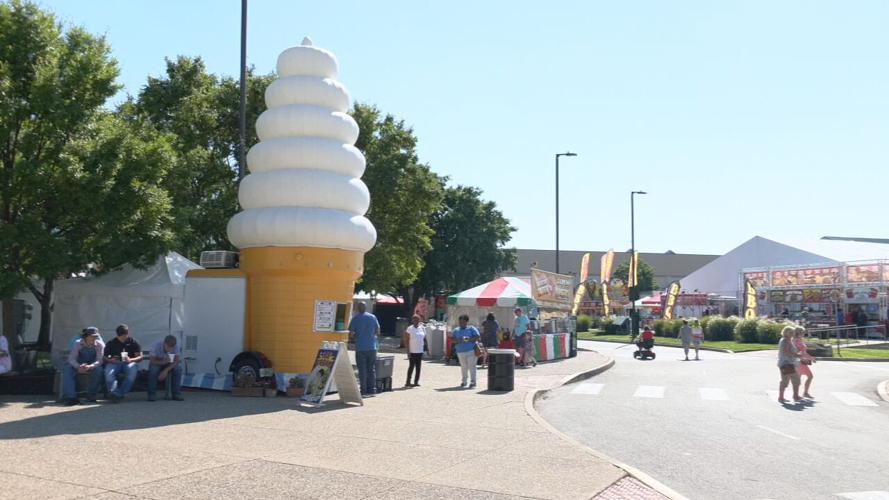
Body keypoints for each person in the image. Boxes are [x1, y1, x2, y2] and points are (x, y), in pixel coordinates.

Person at [61, 327, 105, 405]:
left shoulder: (100, 345)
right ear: (86, 336)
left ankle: (91, 396)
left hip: (92, 365)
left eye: (95, 336)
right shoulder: (77, 343)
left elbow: (99, 360)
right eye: (92, 336)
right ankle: (71, 397)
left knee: (99, 370)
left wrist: (90, 366)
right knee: (67, 369)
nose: (94, 338)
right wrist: (78, 366)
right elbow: (71, 359)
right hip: (79, 364)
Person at [103, 324, 143, 402]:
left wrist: (131, 360)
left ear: (127, 334)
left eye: (125, 336)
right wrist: (111, 360)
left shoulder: (133, 342)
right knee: (109, 374)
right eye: (121, 337)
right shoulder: (111, 342)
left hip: (129, 362)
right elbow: (104, 356)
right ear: (117, 335)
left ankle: (118, 394)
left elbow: (140, 357)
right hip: (115, 362)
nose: (124, 338)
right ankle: (114, 393)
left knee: (131, 375)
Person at [350, 302, 380, 397]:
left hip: (360, 348)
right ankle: (372, 390)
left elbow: (351, 333)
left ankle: (363, 391)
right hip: (372, 347)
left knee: (362, 370)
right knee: (371, 369)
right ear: (366, 308)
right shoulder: (372, 317)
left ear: (358, 308)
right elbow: (378, 330)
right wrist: (372, 336)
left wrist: (354, 338)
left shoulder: (355, 318)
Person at [147, 335, 184, 401]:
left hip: (169, 363)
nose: (170, 349)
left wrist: (165, 370)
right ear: (164, 343)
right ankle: (151, 394)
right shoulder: (156, 345)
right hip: (157, 362)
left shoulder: (176, 346)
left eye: (171, 347)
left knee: (178, 369)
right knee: (153, 370)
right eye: (168, 347)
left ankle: (176, 393)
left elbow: (176, 361)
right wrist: (163, 362)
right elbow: (152, 361)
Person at [452, 314, 480, 388]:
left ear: (467, 322)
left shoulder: (471, 328)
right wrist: (457, 340)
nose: (461, 323)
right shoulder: (456, 330)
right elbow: (452, 339)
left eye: (463, 322)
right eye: (460, 322)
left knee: (472, 366)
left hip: (471, 350)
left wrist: (469, 339)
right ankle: (464, 381)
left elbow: (477, 337)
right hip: (460, 351)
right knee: (463, 367)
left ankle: (473, 381)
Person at [777, 326, 802, 404]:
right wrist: (797, 355)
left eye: (792, 332)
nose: (792, 334)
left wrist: (797, 354)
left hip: (785, 363)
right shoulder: (785, 340)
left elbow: (788, 351)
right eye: (790, 332)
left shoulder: (787, 340)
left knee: (785, 381)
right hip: (787, 363)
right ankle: (795, 396)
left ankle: (781, 397)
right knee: (796, 380)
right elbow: (786, 352)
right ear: (785, 332)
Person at [792, 327, 815, 399]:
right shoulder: (796, 342)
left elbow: (803, 352)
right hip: (799, 362)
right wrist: (811, 358)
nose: (804, 334)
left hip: (800, 361)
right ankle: (803, 393)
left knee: (799, 378)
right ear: (798, 333)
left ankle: (798, 394)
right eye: (803, 332)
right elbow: (802, 353)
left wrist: (809, 357)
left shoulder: (797, 340)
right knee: (809, 376)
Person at [405, 315, 426, 387]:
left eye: (418, 320)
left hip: (420, 350)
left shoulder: (422, 328)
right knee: (411, 366)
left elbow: (424, 339)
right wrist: (408, 351)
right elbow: (407, 340)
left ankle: (416, 381)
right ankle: (408, 381)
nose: (416, 321)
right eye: (415, 320)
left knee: (418, 367)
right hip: (412, 351)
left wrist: (427, 349)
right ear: (412, 320)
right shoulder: (409, 329)